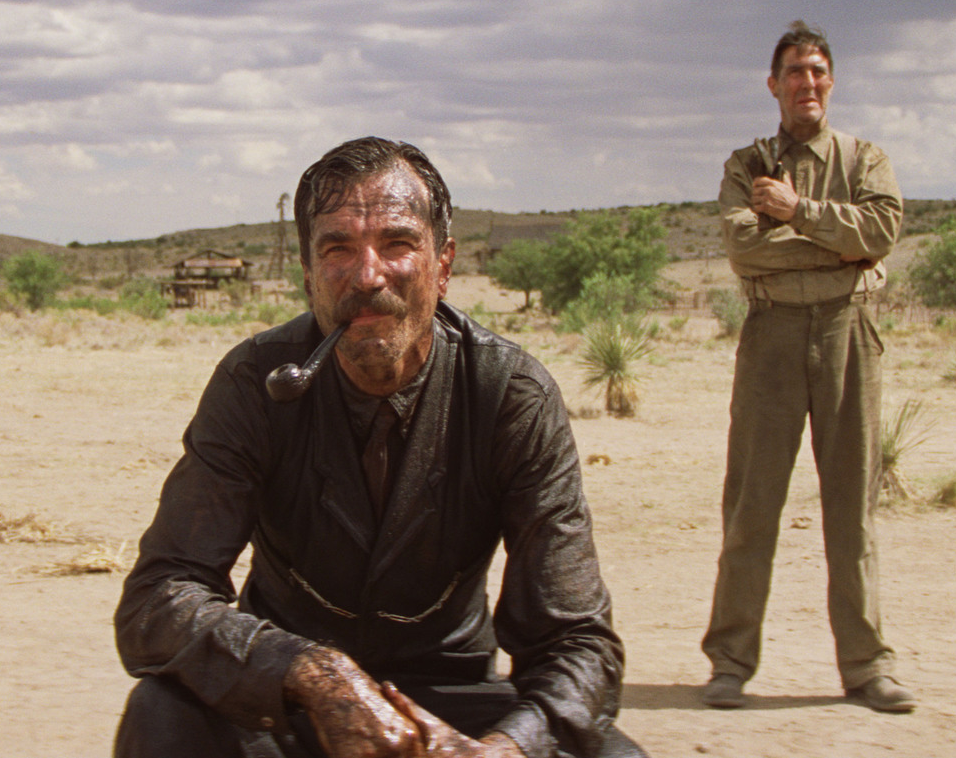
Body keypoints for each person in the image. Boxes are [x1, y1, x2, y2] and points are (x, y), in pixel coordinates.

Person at [114, 138, 641, 758]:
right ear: (308, 274)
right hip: (287, 707)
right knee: (161, 714)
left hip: (451, 702)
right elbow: (157, 599)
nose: (367, 276)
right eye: (337, 249)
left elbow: (578, 642)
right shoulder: (254, 382)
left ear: (443, 265)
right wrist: (313, 672)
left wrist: (504, 749)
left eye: (397, 244)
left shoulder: (509, 394)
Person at [700, 21, 913, 713]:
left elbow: (882, 231)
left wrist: (798, 211)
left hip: (849, 332)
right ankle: (730, 661)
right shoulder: (746, 165)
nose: (807, 82)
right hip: (773, 333)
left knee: (853, 508)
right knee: (751, 504)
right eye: (794, 71)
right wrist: (840, 246)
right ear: (774, 85)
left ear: (832, 81)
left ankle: (866, 667)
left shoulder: (865, 159)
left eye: (818, 70)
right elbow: (744, 249)